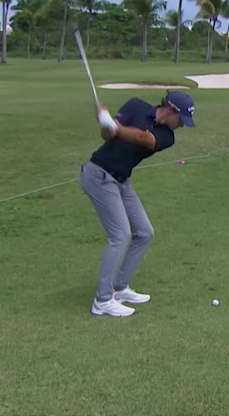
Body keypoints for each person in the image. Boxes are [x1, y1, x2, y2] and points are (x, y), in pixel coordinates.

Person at [80, 91, 195, 317]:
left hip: (121, 180)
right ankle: (102, 301)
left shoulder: (167, 136)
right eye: (181, 119)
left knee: (144, 233)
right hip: (98, 176)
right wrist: (104, 122)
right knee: (120, 236)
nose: (181, 125)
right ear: (171, 110)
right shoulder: (135, 106)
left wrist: (115, 126)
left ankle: (119, 287)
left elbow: (144, 139)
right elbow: (107, 136)